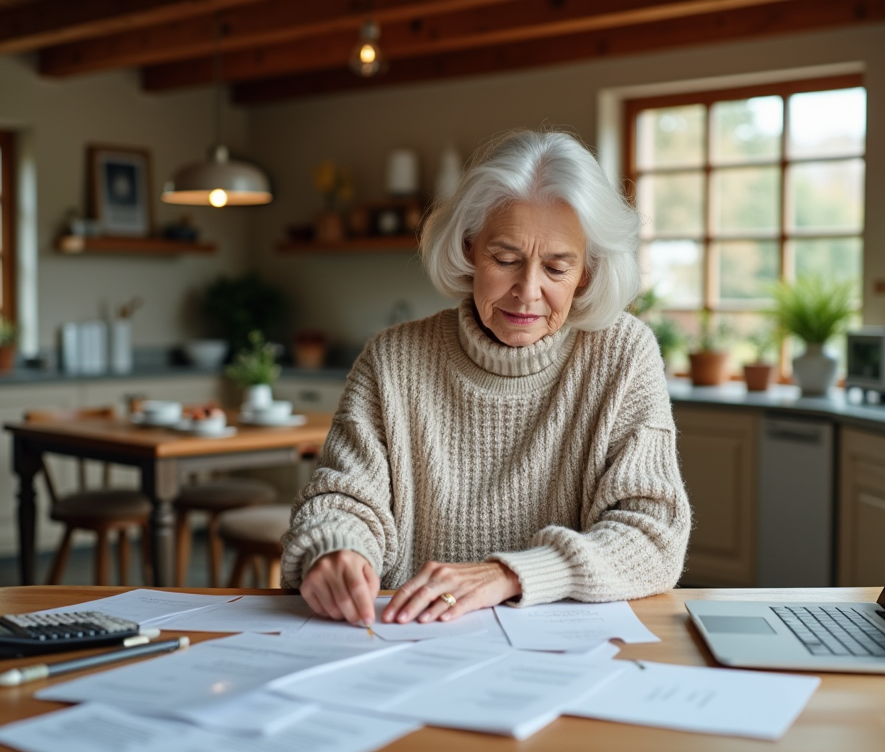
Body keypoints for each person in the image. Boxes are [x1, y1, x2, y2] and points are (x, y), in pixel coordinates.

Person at [280, 129, 692, 627]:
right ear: (469, 248)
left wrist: (509, 574)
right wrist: (335, 548)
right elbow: (342, 497)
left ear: (587, 272)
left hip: (564, 647)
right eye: (505, 260)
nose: (528, 291)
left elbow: (653, 535)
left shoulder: (623, 354)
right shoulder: (392, 360)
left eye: (557, 268)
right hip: (409, 639)